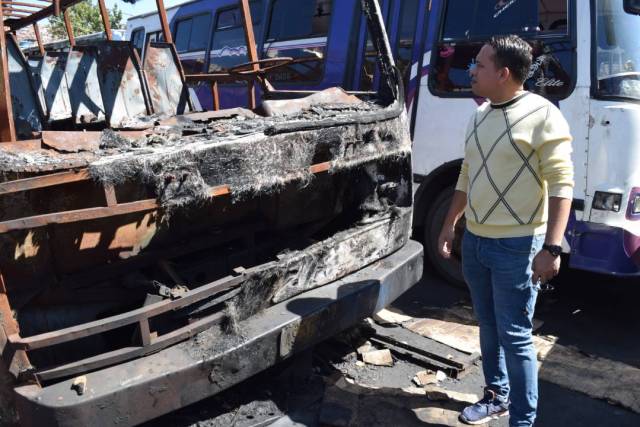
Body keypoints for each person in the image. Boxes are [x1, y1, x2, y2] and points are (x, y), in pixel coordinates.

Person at [438, 35, 574, 426]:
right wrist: (450, 224)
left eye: (479, 65)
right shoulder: (479, 115)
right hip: (477, 241)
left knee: (514, 334)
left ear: (503, 73)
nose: (471, 71)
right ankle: (496, 395)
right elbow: (467, 172)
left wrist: (552, 248)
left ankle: (522, 420)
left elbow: (562, 184)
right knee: (488, 323)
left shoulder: (543, 115)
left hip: (518, 245)